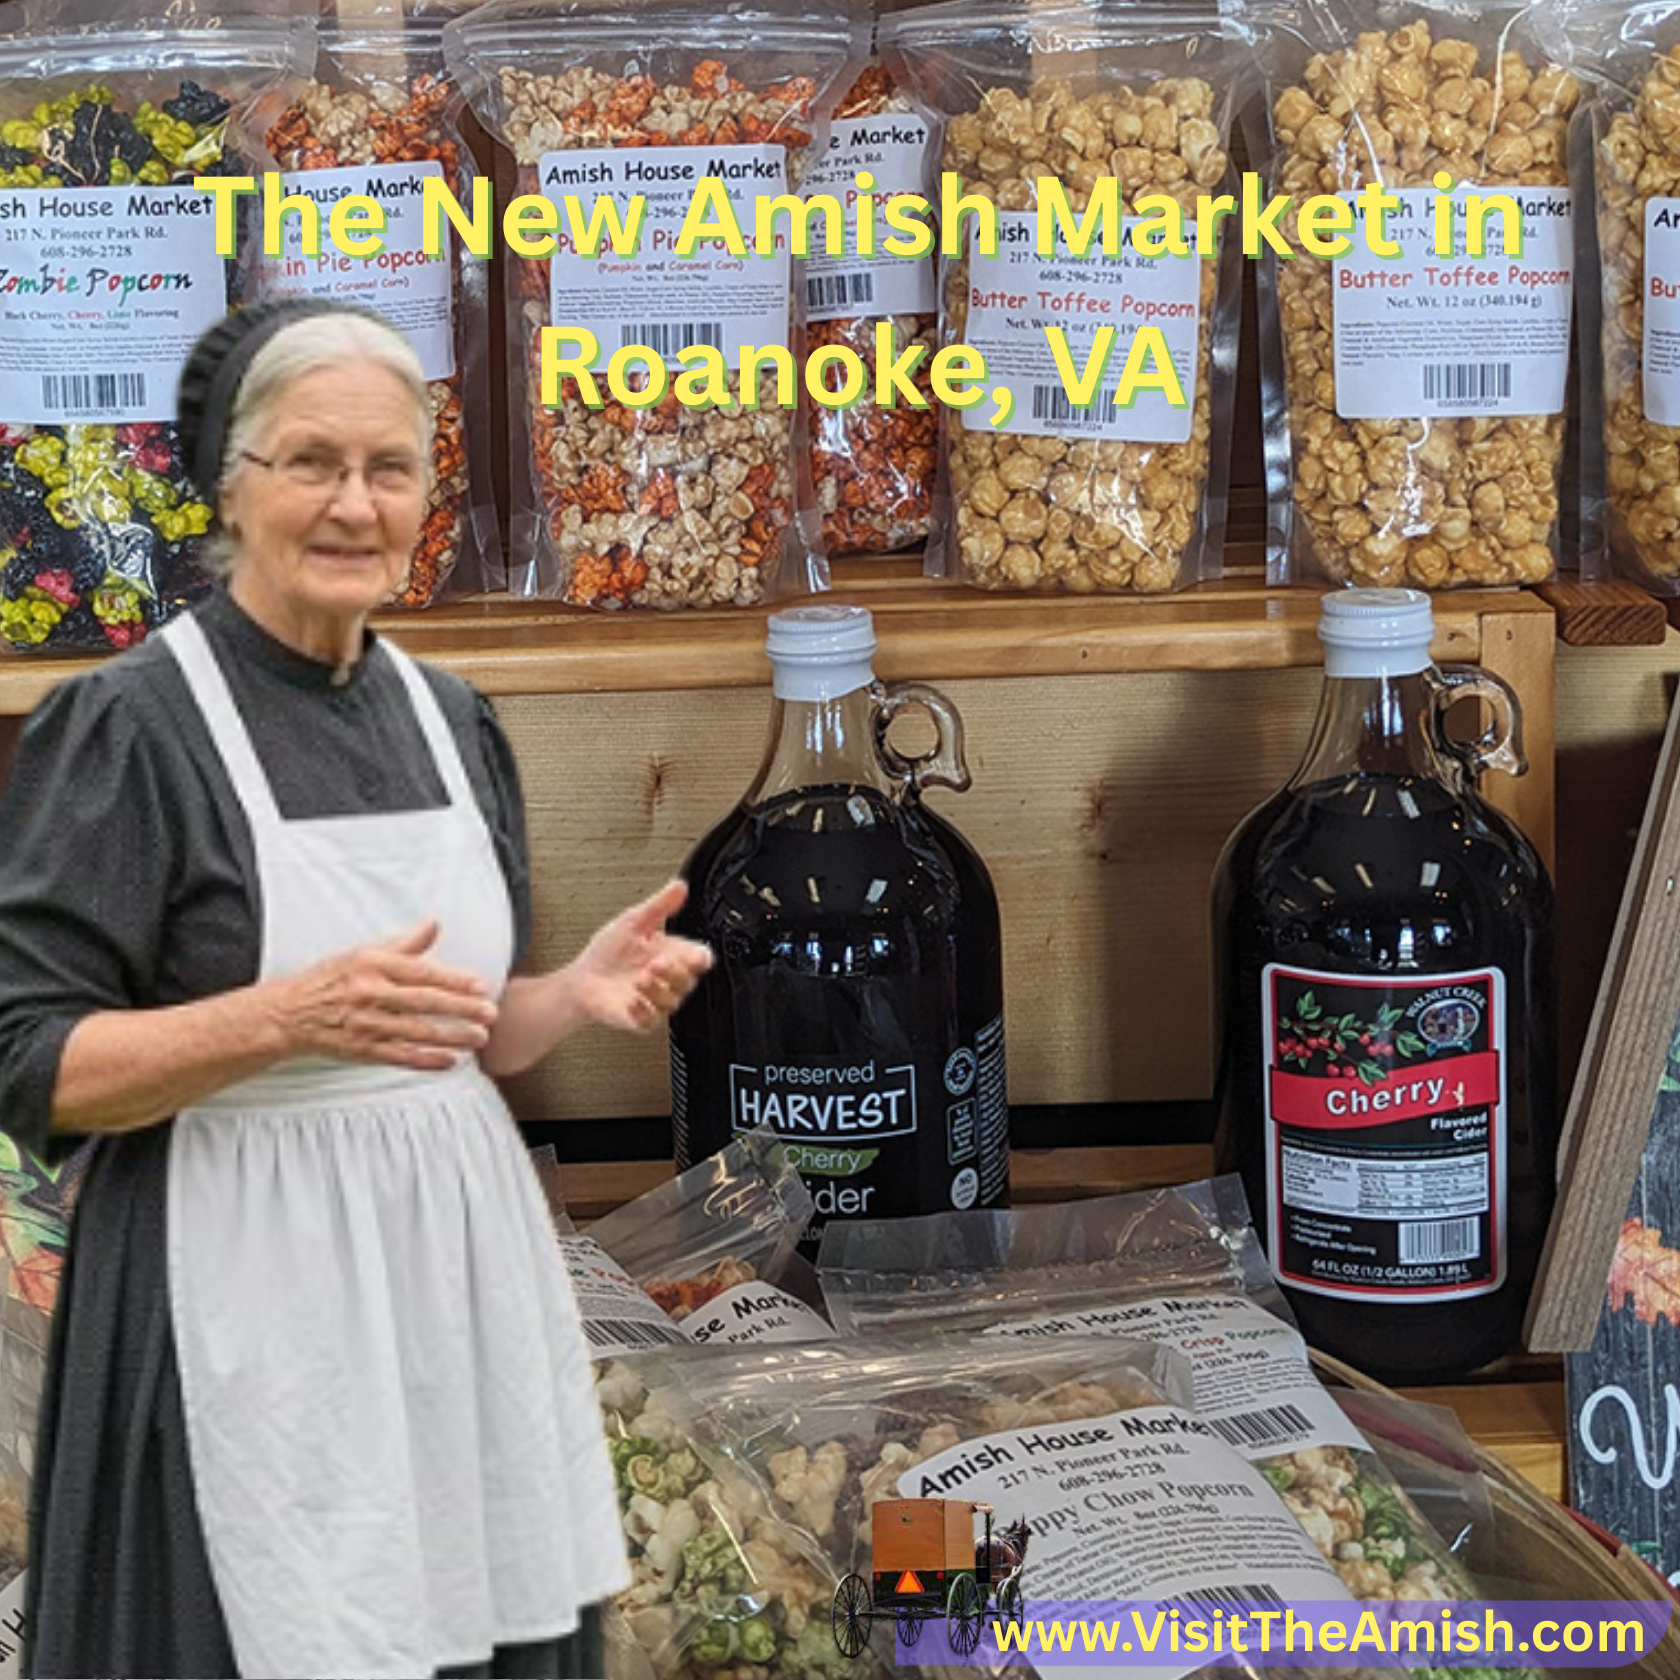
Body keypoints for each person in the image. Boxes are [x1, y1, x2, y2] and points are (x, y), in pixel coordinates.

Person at [0, 297, 714, 1679]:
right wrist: (280, 1020)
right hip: (222, 1280)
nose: (353, 504)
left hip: (450, 1280)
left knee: (469, 1617)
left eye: (390, 468)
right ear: (227, 485)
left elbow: (444, 1037)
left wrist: (567, 995)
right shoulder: (130, 729)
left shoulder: (453, 722)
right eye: (309, 462)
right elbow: (28, 1061)